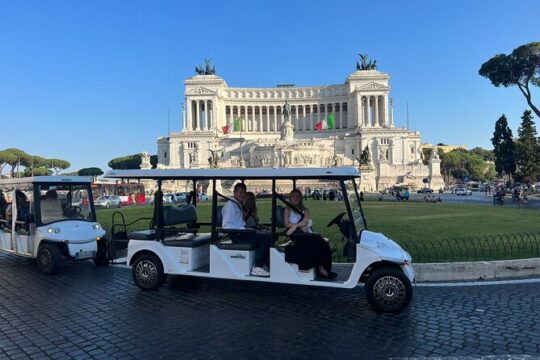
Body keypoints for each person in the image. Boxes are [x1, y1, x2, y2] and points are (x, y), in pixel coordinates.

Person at [283, 189, 336, 279]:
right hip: (296, 235)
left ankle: (324, 268)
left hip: (304, 232)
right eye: (293, 196)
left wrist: (295, 226)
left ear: (301, 198)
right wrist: (298, 226)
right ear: (290, 198)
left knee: (322, 243)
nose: (295, 198)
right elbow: (286, 224)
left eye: (297, 196)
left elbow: (305, 222)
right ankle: (321, 269)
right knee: (316, 243)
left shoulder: (305, 210)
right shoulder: (287, 209)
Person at [222, 183, 271, 277]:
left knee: (267, 235)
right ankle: (258, 267)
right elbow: (226, 225)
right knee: (266, 238)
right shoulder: (231, 206)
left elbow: (238, 223)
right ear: (234, 192)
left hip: (242, 233)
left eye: (244, 192)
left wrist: (247, 229)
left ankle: (263, 263)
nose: (242, 195)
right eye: (240, 192)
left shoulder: (236, 204)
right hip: (238, 236)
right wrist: (244, 230)